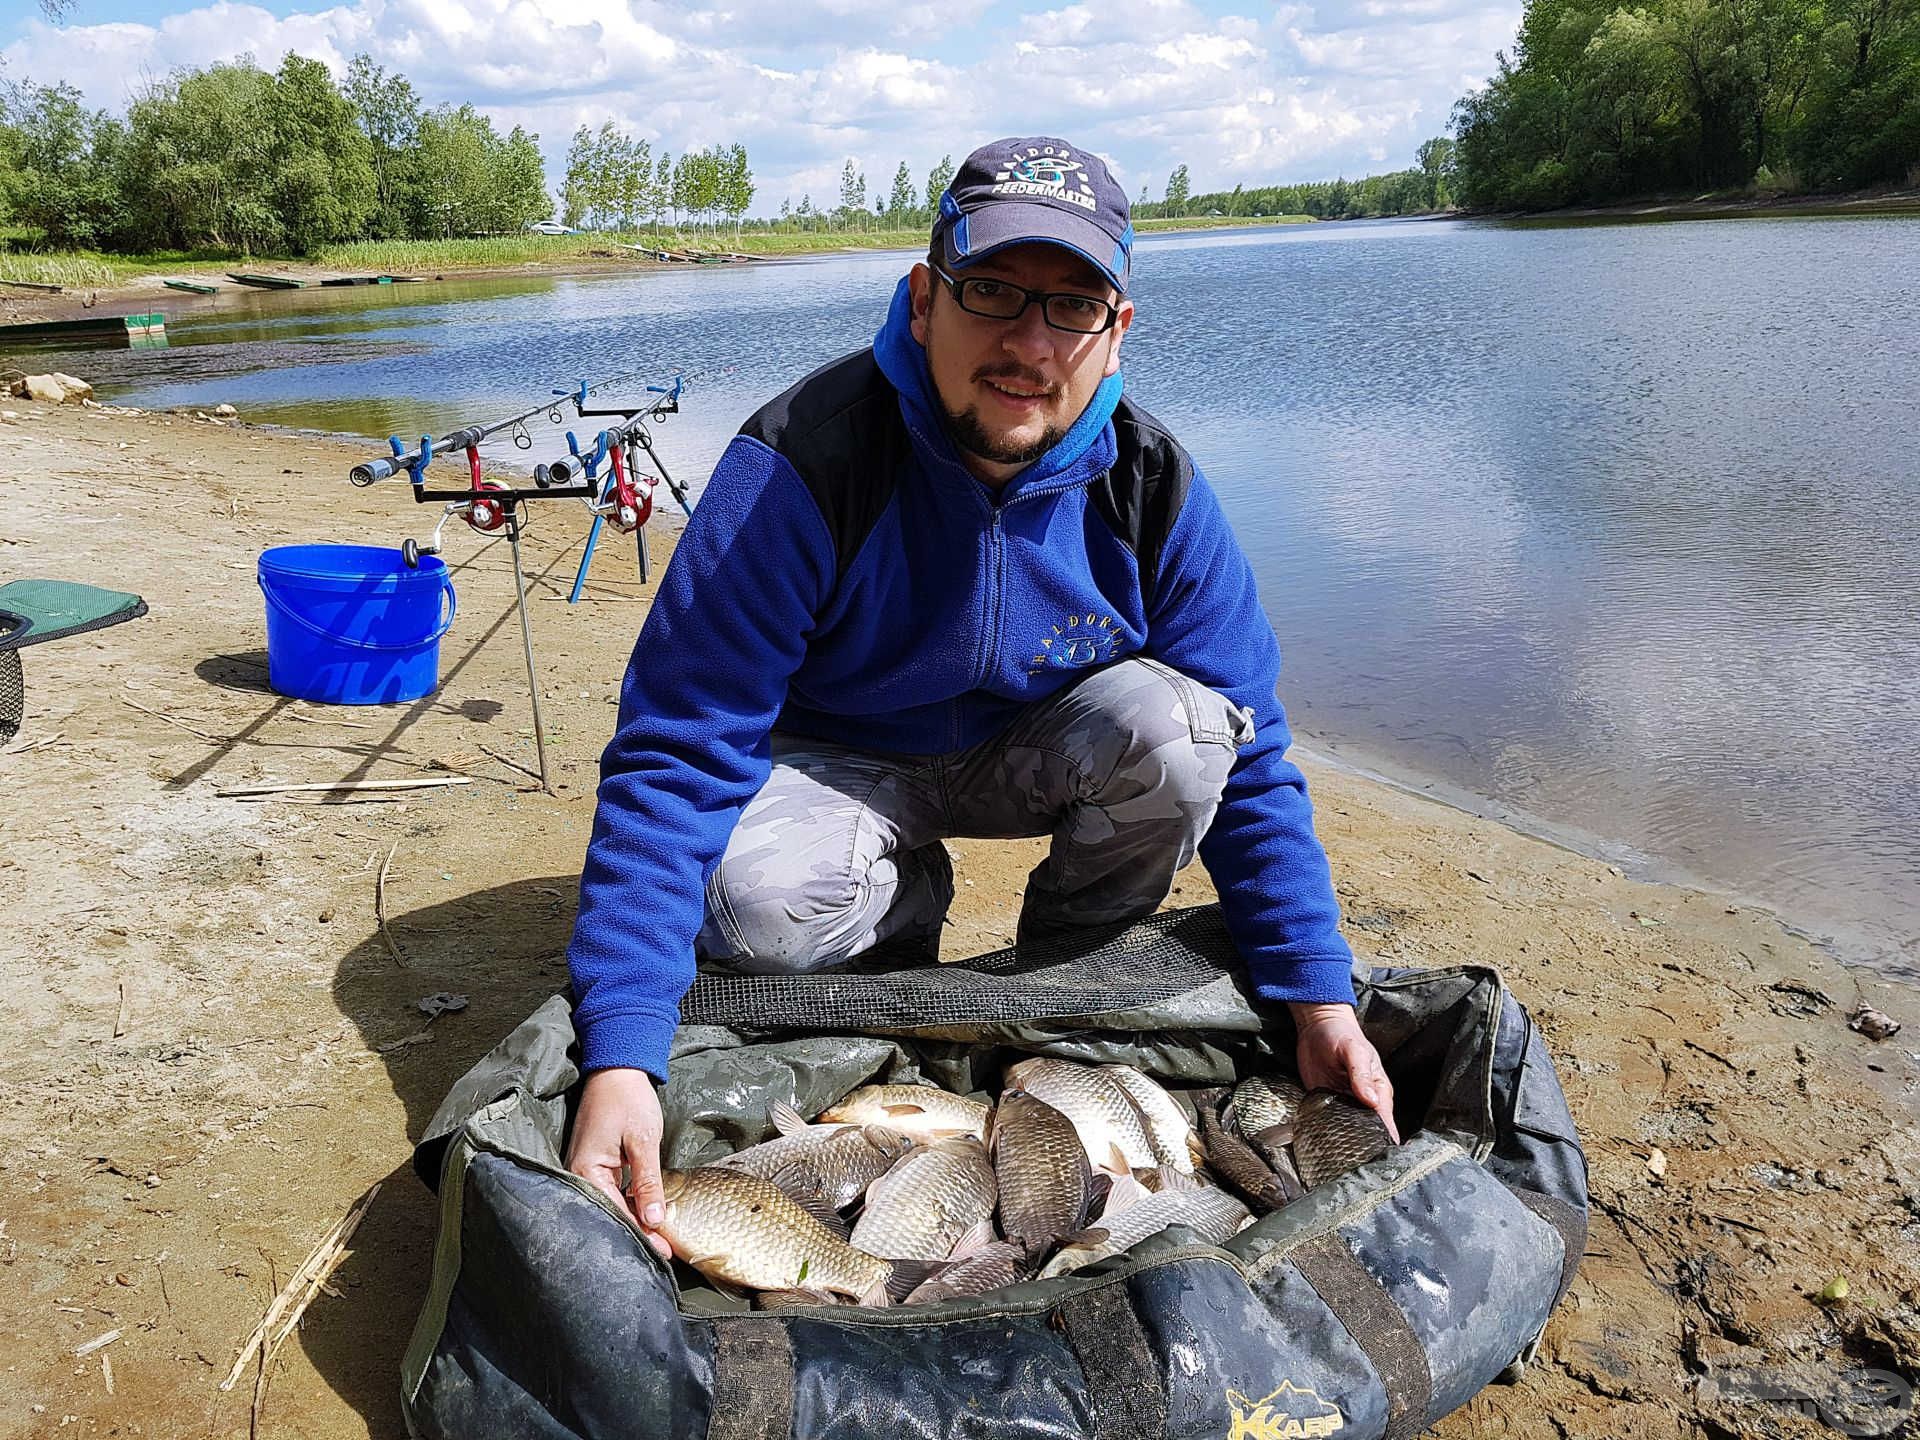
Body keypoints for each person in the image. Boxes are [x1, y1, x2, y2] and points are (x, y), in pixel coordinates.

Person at [564, 136, 1397, 1257]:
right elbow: (676, 751)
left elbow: (1256, 762)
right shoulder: (801, 465)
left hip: (1033, 752)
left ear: (1117, 336)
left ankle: (1065, 983)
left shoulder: (1154, 487)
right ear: (922, 301)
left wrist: (1318, 997)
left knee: (1193, 730)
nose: (1028, 343)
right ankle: (897, 922)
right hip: (839, 759)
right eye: (993, 292)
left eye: (1071, 307)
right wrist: (621, 1051)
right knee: (758, 907)